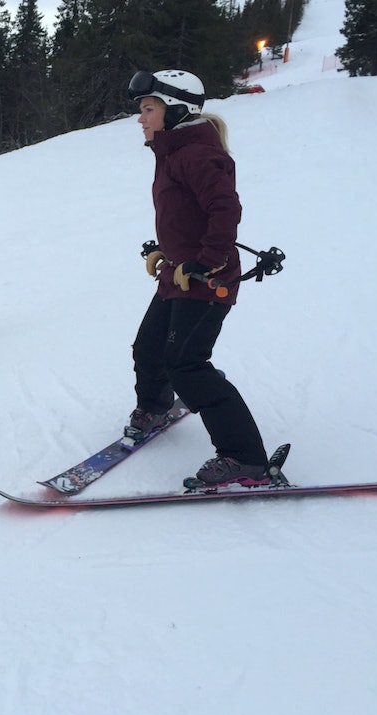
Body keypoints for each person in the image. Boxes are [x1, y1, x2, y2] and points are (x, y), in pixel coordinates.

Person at [125, 69, 270, 490]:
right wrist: (166, 250)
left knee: (187, 365)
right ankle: (155, 407)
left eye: (148, 109)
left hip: (206, 279)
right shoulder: (173, 151)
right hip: (179, 273)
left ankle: (245, 457)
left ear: (175, 110)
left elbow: (225, 210)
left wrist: (206, 262)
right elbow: (186, 215)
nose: (141, 119)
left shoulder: (195, 154)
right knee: (149, 349)